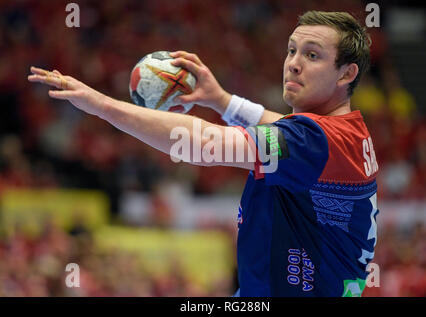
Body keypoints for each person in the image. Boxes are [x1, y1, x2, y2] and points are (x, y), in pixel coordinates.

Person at [28, 11, 379, 297]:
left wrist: (102, 105)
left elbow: (203, 143)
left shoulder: (313, 141)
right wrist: (223, 102)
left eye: (312, 55)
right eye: (292, 50)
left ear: (347, 74)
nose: (293, 63)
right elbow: (283, 130)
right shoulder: (344, 133)